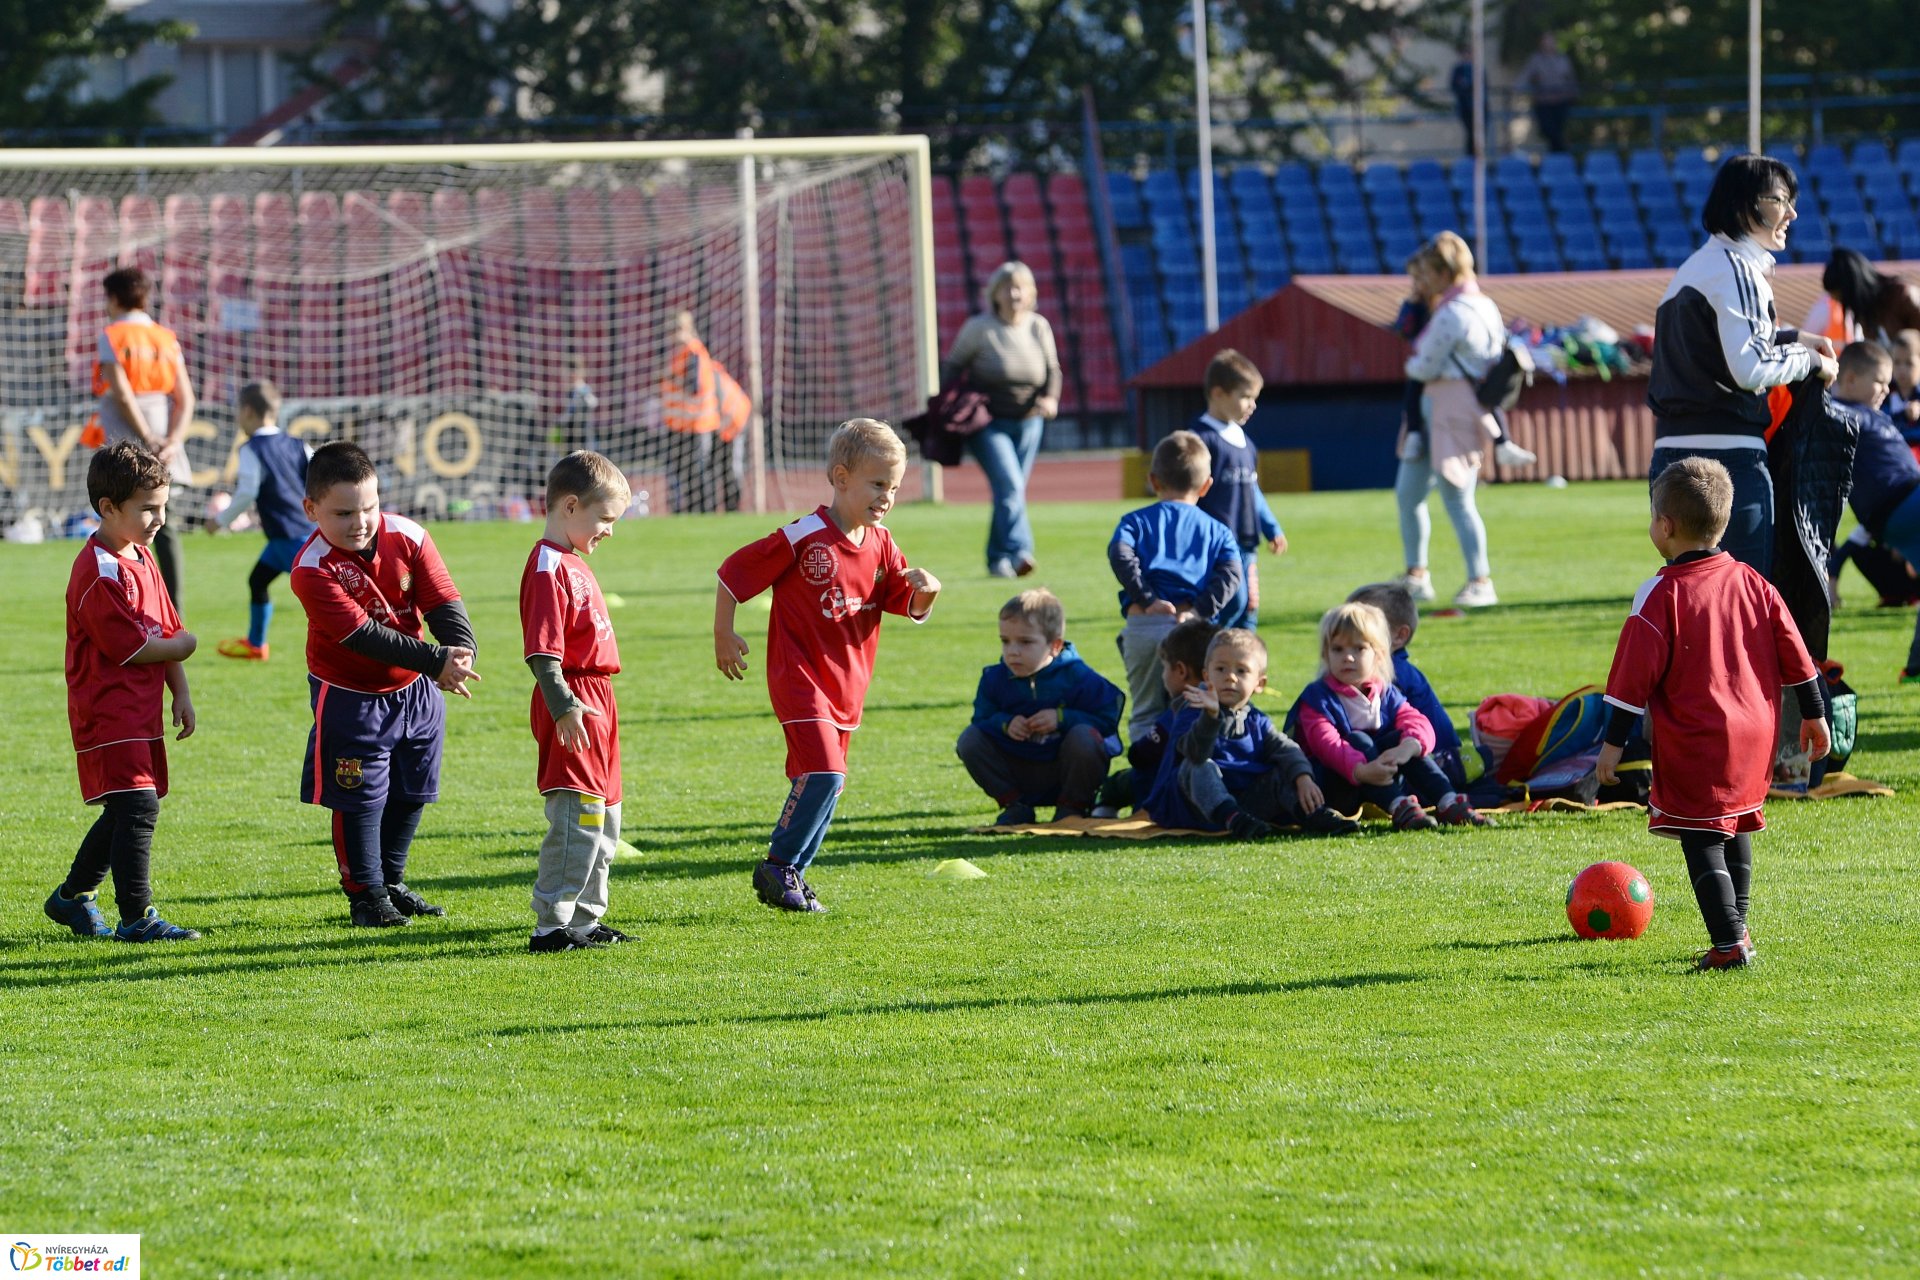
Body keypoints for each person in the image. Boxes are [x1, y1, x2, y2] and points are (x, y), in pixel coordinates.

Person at [1596, 457, 1829, 969]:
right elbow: (1797, 651)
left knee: (1701, 837)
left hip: (1700, 737)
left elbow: (1630, 681)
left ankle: (1727, 944)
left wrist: (1612, 746)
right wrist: (1814, 712)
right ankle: (1738, 931)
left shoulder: (1660, 593)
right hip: (1758, 733)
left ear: (1665, 526)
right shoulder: (1753, 582)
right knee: (1735, 824)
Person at [714, 419, 941, 913]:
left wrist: (927, 591)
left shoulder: (882, 542)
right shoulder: (805, 536)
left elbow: (900, 600)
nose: (886, 497)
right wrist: (723, 634)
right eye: (877, 484)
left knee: (829, 784)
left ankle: (792, 874)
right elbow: (734, 571)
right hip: (799, 677)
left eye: (894, 487)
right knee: (825, 773)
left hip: (847, 686)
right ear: (841, 478)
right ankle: (778, 866)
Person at [291, 442, 480, 928]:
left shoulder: (410, 535)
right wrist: (436, 661)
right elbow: (363, 636)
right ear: (311, 509)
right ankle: (365, 896)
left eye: (369, 508)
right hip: (350, 695)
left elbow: (443, 600)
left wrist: (461, 650)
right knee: (358, 796)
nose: (360, 522)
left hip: (416, 689)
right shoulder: (311, 568)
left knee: (414, 789)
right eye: (343, 513)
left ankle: (391, 883)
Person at [1647, 154, 1837, 580]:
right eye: (1780, 200)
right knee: (1743, 602)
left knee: (1695, 602)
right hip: (1727, 459)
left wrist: (1792, 338)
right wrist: (1813, 361)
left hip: (1672, 456)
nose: (1792, 213)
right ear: (1742, 205)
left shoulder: (1696, 267)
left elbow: (1717, 351)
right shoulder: (1738, 269)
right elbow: (1751, 367)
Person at [43, 442, 202, 943]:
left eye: (163, 506)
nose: (159, 519)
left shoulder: (142, 555)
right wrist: (185, 647)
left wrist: (181, 691)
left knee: (127, 808)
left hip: (141, 709)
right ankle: (137, 917)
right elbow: (131, 647)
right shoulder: (98, 570)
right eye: (147, 508)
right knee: (138, 808)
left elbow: (165, 627)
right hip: (107, 710)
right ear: (108, 507)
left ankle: (71, 898)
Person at [520, 451, 634, 952]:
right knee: (577, 817)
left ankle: (586, 919)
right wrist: (564, 705)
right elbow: (543, 653)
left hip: (600, 701)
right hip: (574, 700)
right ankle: (551, 925)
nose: (610, 530)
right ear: (570, 506)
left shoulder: (573, 561)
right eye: (605, 518)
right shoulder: (548, 566)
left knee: (606, 818)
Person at [1287, 602, 1490, 829]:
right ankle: (1400, 806)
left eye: (1359, 649)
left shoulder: (1384, 691)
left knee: (1405, 740)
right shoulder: (1317, 698)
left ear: (1379, 655)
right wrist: (1361, 771)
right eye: (1338, 649)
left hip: (1379, 778)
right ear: (1326, 654)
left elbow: (1417, 720)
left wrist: (1408, 747)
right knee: (1358, 739)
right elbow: (1327, 745)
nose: (1348, 657)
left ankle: (1448, 801)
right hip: (1332, 789)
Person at [1140, 628, 1358, 838]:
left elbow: (1285, 748)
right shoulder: (1192, 709)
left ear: (1259, 683)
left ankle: (1312, 815)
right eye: (1221, 669)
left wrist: (1303, 777)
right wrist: (1211, 717)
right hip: (1192, 807)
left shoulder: (1256, 719)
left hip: (1244, 803)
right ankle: (1234, 819)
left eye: (1241, 671)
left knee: (1283, 770)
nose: (1230, 677)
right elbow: (1195, 754)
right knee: (1198, 766)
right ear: (1206, 676)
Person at [1108, 430, 1243, 742]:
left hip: (1145, 623)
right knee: (1197, 708)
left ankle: (1146, 769)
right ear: (1206, 485)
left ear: (1153, 480)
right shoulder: (1218, 530)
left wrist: (1146, 597)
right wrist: (1199, 610)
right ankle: (1191, 768)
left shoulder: (1134, 521)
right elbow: (1232, 574)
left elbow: (1120, 553)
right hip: (1193, 630)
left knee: (1146, 711)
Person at [1398, 232, 1505, 608]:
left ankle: (1480, 580)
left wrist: (1414, 364)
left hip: (1450, 407)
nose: (1424, 281)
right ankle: (1416, 576)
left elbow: (1422, 365)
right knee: (1409, 493)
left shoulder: (1454, 311)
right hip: (1447, 405)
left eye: (1429, 273)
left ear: (1445, 272)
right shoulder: (1484, 305)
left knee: (1458, 497)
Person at [957, 588, 1124, 826]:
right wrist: (1005, 723)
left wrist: (1062, 718)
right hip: (1018, 765)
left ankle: (1072, 807)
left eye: (1025, 642)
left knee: (1085, 737)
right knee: (969, 739)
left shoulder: (1080, 677)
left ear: (1055, 645)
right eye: (1005, 641)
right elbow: (982, 718)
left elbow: (1107, 720)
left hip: (1065, 768)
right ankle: (1015, 806)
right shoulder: (994, 678)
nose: (1013, 651)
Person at [940, 261, 1062, 578]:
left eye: (1020, 288)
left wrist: (1050, 398)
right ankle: (1021, 551)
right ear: (995, 294)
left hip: (1030, 421)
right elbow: (953, 367)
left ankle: (997, 559)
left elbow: (1053, 370)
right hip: (988, 423)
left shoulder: (1038, 326)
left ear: (1031, 293)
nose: (1014, 294)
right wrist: (951, 405)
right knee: (1010, 485)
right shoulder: (979, 328)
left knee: (1011, 492)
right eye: (1007, 288)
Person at [91, 266, 195, 609]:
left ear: (113, 298)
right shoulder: (165, 337)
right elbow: (185, 398)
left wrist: (146, 438)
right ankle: (173, 610)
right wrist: (173, 440)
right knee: (165, 527)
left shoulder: (112, 335)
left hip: (126, 444)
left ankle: (126, 604)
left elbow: (122, 395)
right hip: (164, 443)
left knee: (118, 524)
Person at [1828, 342, 1920, 682]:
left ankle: (1915, 669)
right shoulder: (1840, 410)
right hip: (1900, 502)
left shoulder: (1872, 412)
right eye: (1879, 381)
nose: (1885, 389)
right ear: (1851, 379)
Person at [210, 380, 315, 661]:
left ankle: (361, 638)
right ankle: (256, 645)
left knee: (324, 596)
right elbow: (319, 480)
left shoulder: (251, 449)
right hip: (298, 534)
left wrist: (219, 521)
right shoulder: (298, 444)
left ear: (247, 411)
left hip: (289, 537)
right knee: (257, 581)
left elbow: (247, 492)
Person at [1191, 349, 1286, 629]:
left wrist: (1271, 527)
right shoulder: (1200, 440)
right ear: (1218, 393)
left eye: (1255, 398)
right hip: (1216, 545)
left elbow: (1252, 489)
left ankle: (1247, 655)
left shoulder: (1244, 441)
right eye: (1245, 397)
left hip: (1246, 540)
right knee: (1232, 602)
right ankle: (1206, 642)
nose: (1252, 405)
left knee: (1249, 609)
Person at [1347, 581, 1469, 790]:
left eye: (1364, 624)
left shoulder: (1391, 674)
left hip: (1436, 767)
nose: (1348, 632)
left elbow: (1371, 730)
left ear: (1399, 636)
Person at [1092, 617, 1217, 817]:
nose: (1162, 675)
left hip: (1165, 794)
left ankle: (1104, 807)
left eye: (1164, 667)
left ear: (1181, 671)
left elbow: (1142, 753)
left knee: (1122, 782)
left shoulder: (1181, 711)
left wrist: (1135, 752)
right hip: (1212, 794)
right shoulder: (1224, 709)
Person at [660, 310, 724, 514]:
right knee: (682, 473)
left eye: (677, 329)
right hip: (680, 424)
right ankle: (687, 511)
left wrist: (670, 378)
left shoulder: (693, 351)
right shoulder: (680, 353)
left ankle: (705, 512)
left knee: (697, 472)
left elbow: (693, 386)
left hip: (696, 424)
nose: (673, 334)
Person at [1815, 248, 1920, 347]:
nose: (1840, 302)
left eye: (1841, 298)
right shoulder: (1866, 315)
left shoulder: (1902, 296)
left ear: (1853, 289)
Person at [1515, 33, 1579, 153]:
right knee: (1548, 130)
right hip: (1544, 102)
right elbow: (1525, 76)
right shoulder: (1536, 60)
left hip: (1561, 101)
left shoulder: (1563, 59)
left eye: (1550, 41)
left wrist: (1573, 94)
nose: (1548, 45)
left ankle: (1558, 155)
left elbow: (1571, 78)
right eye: (1545, 42)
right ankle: (1562, 152)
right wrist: (1516, 89)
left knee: (1557, 131)